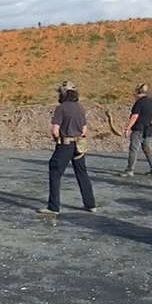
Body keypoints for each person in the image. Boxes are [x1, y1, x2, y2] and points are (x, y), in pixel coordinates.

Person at [39, 81, 96, 215]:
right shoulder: (80, 108)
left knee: (55, 171)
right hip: (79, 144)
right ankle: (90, 204)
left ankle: (53, 207)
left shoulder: (61, 108)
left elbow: (55, 130)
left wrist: (57, 140)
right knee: (82, 173)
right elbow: (84, 129)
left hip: (65, 144)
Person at [120, 83, 152, 176]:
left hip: (138, 128)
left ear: (138, 92)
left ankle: (130, 170)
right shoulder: (150, 101)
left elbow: (135, 116)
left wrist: (128, 128)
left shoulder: (139, 103)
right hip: (148, 129)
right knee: (147, 149)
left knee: (133, 149)